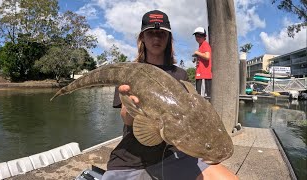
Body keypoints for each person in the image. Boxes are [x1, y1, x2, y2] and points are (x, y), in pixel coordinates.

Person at [102, 10, 238, 180]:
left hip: (173, 155)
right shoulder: (130, 72)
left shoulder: (180, 75)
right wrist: (132, 107)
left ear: (168, 39)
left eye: (162, 34)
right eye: (151, 33)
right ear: (142, 38)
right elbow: (127, 120)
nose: (156, 38)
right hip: (131, 159)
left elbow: (195, 115)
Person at [193, 27, 212, 97]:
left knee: (203, 96)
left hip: (204, 75)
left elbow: (207, 56)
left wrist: (197, 53)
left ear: (205, 37)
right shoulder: (200, 46)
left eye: (200, 36)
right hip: (200, 74)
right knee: (199, 94)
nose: (198, 38)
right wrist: (196, 57)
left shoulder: (205, 44)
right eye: (196, 36)